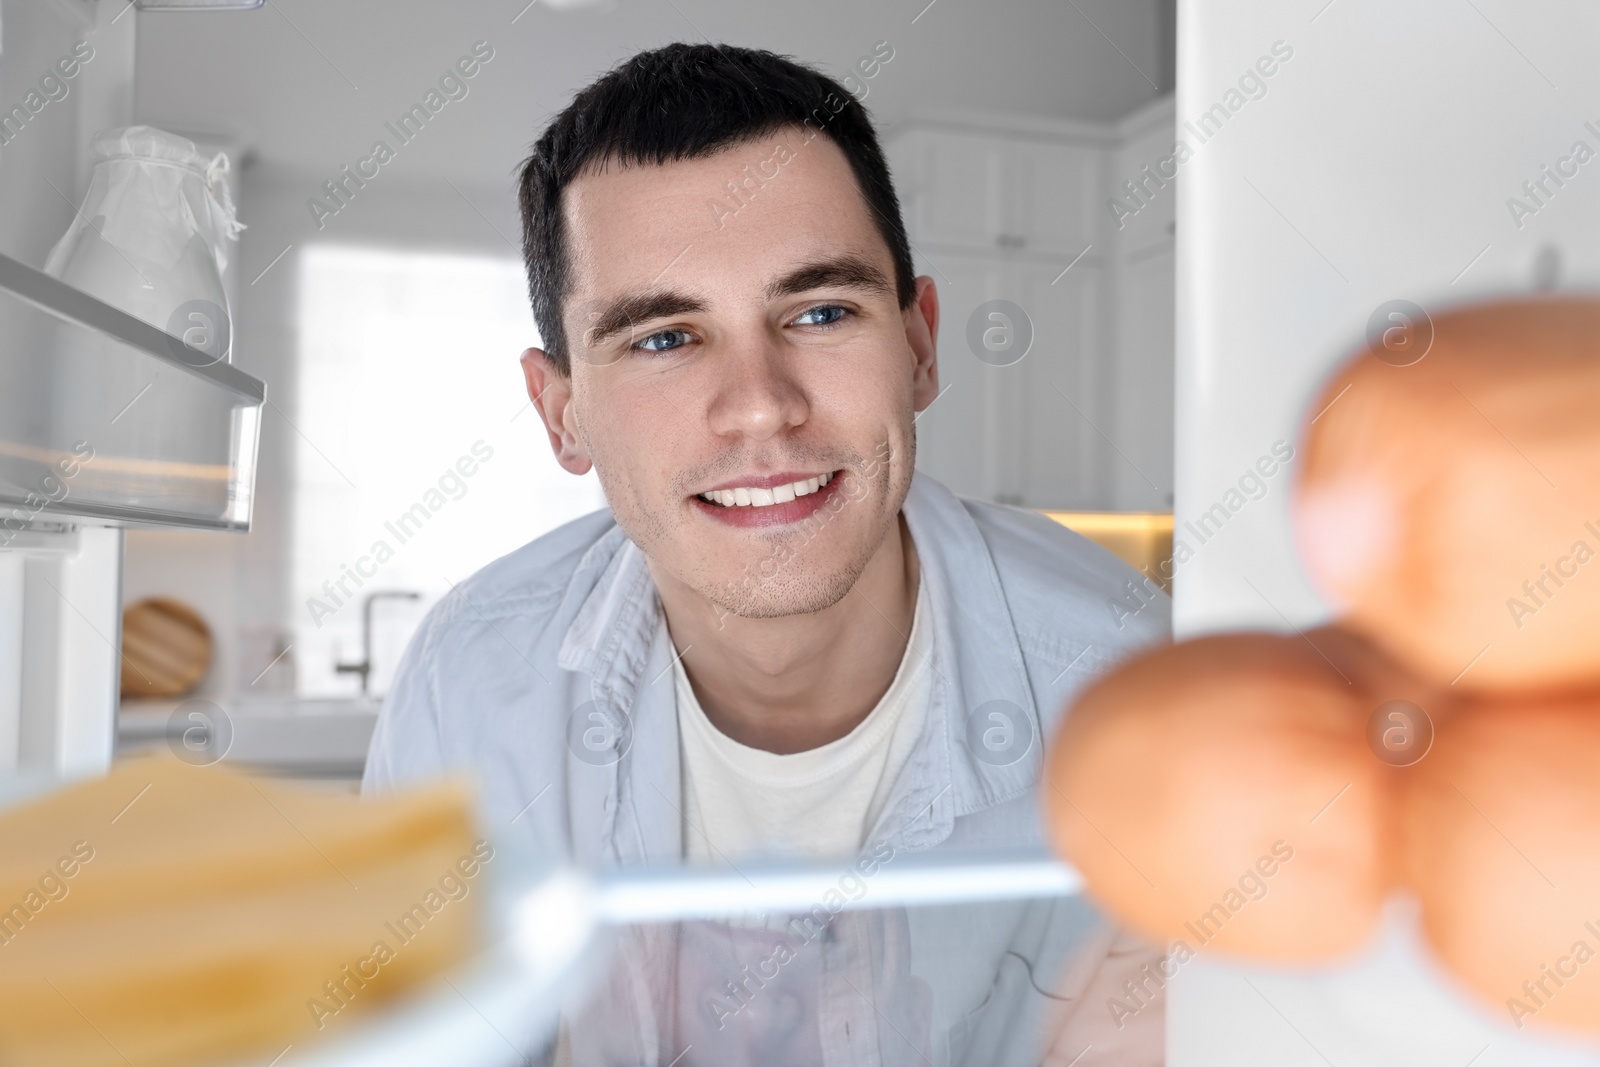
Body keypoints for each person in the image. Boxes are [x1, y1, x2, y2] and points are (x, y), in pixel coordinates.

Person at [364, 41, 1169, 1065]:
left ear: (918, 346)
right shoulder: (470, 681)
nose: (759, 405)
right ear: (561, 411)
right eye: (663, 337)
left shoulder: (1127, 678)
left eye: (821, 311)